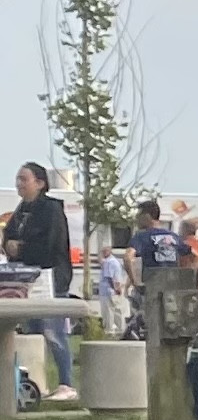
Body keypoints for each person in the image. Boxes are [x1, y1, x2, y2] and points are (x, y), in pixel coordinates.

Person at [3, 161, 78, 402]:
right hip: (26, 277)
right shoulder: (21, 210)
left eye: (24, 179)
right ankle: (36, 383)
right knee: (32, 330)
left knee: (53, 331)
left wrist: (21, 247)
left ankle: (67, 384)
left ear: (40, 183)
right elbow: (8, 237)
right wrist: (9, 245)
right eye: (17, 179)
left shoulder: (51, 210)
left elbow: (50, 247)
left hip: (51, 277)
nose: (18, 184)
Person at [95, 240, 130, 339]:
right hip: (114, 290)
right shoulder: (113, 262)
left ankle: (109, 331)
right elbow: (101, 262)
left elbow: (109, 277)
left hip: (109, 290)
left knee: (109, 311)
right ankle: (121, 329)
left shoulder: (109, 263)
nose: (103, 253)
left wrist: (115, 288)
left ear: (109, 251)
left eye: (104, 251)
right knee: (117, 310)